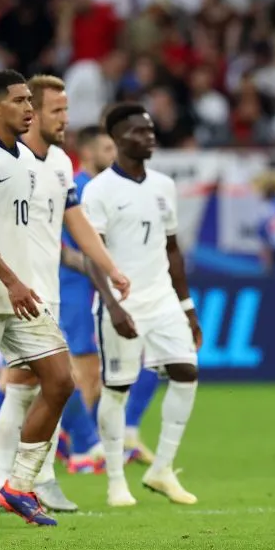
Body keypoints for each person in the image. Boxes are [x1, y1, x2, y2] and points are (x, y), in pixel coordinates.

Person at [0, 70, 123, 528]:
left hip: (25, 295)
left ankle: (19, 485)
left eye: (29, 100)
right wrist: (12, 281)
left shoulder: (30, 159)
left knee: (60, 380)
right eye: (20, 101)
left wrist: (98, 268)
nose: (28, 108)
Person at [82, 103, 203, 508]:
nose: (149, 137)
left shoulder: (163, 185)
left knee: (186, 371)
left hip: (163, 299)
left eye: (151, 131)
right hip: (123, 304)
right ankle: (116, 480)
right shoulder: (98, 190)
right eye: (139, 132)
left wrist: (186, 306)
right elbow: (89, 255)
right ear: (117, 139)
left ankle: (161, 468)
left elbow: (172, 250)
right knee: (116, 390)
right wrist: (113, 307)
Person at [58, 125, 116, 474]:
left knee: (93, 373)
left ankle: (74, 440)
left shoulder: (99, 189)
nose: (114, 154)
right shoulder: (77, 188)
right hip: (73, 287)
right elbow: (60, 243)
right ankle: (82, 448)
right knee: (83, 370)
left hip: (91, 286)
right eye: (108, 148)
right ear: (90, 152)